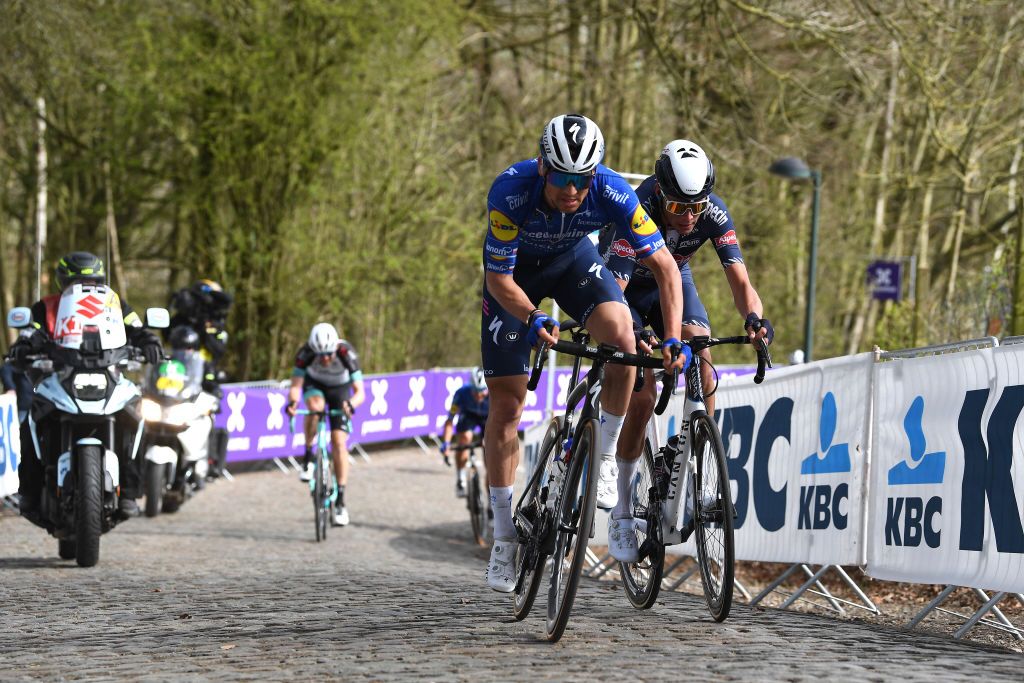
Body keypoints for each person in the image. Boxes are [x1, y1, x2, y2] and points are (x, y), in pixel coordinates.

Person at [481, 113, 687, 592]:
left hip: (573, 262)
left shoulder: (612, 189)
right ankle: (504, 535)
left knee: (623, 339)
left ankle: (607, 456)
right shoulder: (510, 190)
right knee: (507, 406)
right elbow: (497, 278)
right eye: (562, 179)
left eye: (582, 180)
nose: (572, 191)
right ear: (542, 166)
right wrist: (533, 317)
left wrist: (674, 337)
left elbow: (665, 269)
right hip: (516, 280)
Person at [600, 139, 772, 561]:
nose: (690, 217)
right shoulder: (637, 208)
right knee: (643, 394)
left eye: (697, 206)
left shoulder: (711, 212)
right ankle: (622, 509)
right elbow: (616, 291)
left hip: (674, 282)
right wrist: (637, 335)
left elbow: (741, 281)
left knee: (705, 361)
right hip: (626, 287)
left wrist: (754, 319)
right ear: (659, 193)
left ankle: (693, 455)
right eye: (679, 208)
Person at [9, 251, 164, 520]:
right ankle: (30, 492)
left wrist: (150, 342)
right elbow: (30, 330)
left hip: (108, 373)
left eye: (91, 281)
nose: (85, 287)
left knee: (138, 418)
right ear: (63, 282)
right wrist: (23, 345)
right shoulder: (45, 307)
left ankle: (128, 491)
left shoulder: (114, 305)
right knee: (30, 421)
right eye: (78, 281)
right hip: (61, 375)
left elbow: (136, 327)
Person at [285, 322, 365, 527]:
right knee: (316, 407)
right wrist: (293, 403)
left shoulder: (347, 352)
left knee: (339, 442)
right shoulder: (305, 353)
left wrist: (350, 404)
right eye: (320, 356)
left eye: (329, 354)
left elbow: (360, 392)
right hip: (315, 385)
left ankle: (340, 500)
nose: (325, 359)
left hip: (340, 388)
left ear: (336, 348)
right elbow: (295, 386)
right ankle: (309, 454)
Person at [168, 279, 233, 477]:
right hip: (176, 373)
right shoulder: (182, 319)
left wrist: (205, 327)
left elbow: (219, 349)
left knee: (209, 411)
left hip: (204, 377)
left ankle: (209, 460)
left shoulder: (215, 322)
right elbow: (166, 335)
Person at [440, 367, 489, 498]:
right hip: (468, 416)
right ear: (470, 387)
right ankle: (461, 477)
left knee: (490, 459)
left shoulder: (494, 394)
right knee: (465, 438)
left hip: (488, 418)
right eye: (475, 392)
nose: (478, 396)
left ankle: (492, 499)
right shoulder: (461, 393)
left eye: (481, 392)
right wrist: (446, 442)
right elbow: (450, 420)